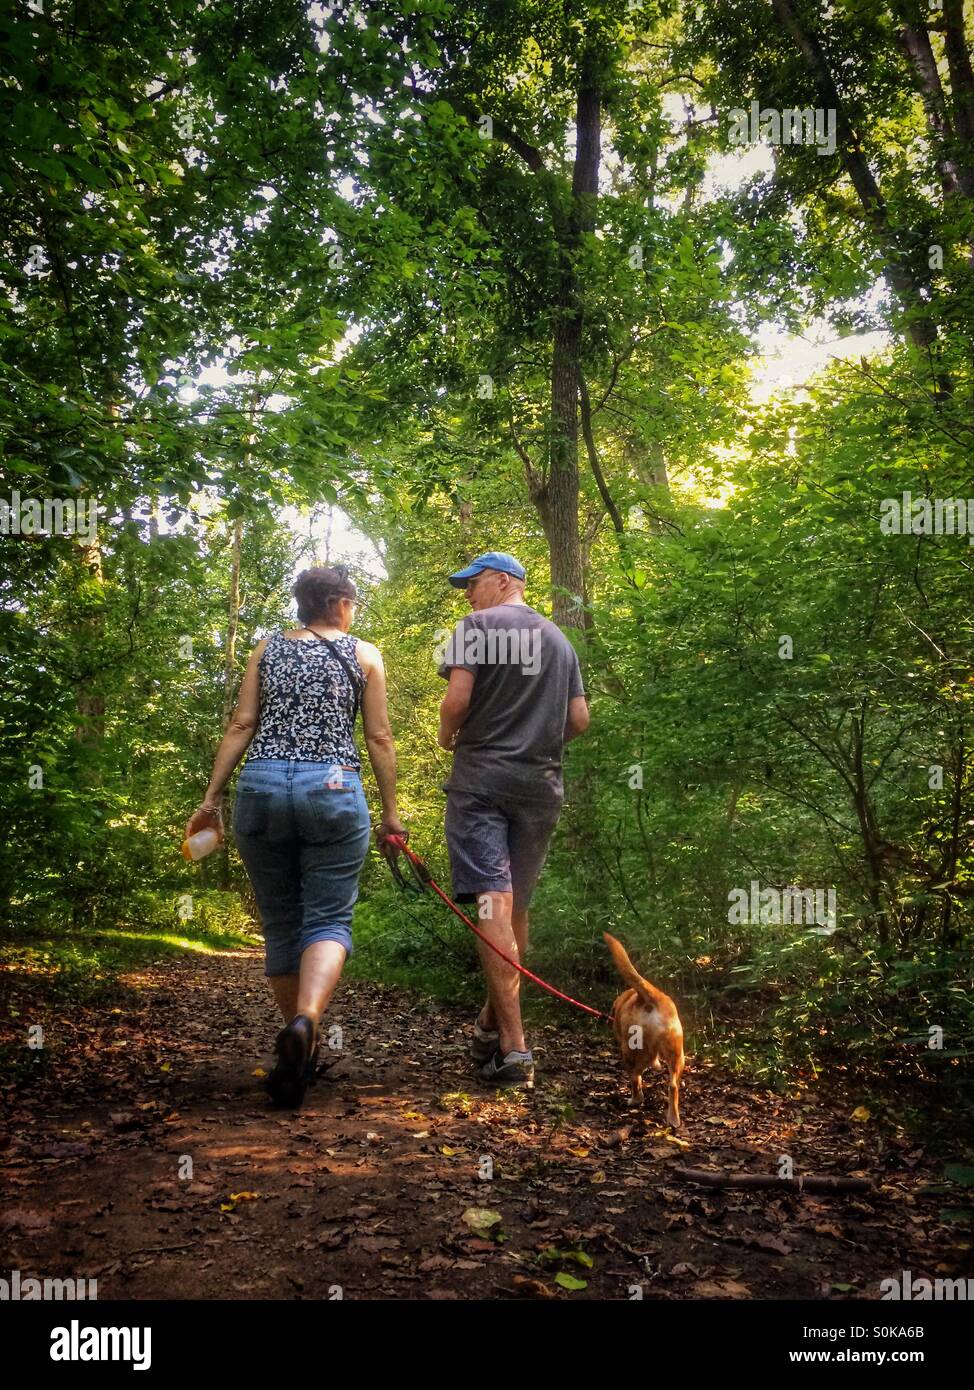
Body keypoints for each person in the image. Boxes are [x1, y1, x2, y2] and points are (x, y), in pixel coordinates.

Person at [185, 565, 405, 1108]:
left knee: (281, 920)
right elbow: (377, 735)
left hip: (260, 785)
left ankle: (297, 1050)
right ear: (341, 603)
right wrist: (391, 816)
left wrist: (210, 801)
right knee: (328, 918)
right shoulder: (365, 654)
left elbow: (241, 725)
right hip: (332, 786)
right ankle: (306, 1022)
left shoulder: (267, 649)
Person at [436, 551, 590, 1087]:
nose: (468, 595)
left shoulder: (476, 627)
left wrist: (447, 737)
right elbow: (579, 720)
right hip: (541, 787)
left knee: (491, 903)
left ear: (504, 581)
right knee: (510, 906)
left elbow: (456, 701)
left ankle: (515, 1048)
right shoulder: (560, 640)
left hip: (481, 783)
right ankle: (488, 1023)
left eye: (473, 583)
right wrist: (540, 748)